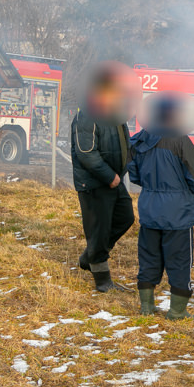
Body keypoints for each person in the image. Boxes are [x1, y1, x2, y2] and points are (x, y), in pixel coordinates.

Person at [128, 94, 194, 320]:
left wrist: (152, 187)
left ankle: (146, 307)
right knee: (179, 260)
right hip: (177, 213)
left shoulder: (140, 138)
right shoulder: (179, 139)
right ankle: (177, 311)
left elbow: (133, 172)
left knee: (149, 258)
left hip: (150, 209)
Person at [71, 65, 137, 293]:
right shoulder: (87, 116)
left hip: (114, 181)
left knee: (125, 217)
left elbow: (125, 144)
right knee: (98, 230)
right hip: (95, 183)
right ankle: (102, 281)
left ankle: (90, 256)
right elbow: (86, 152)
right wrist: (110, 177)